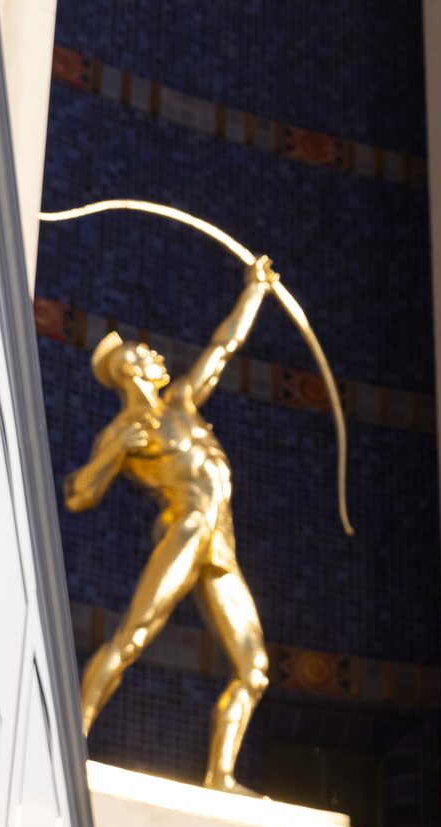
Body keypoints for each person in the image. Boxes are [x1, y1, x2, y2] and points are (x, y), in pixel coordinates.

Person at [66, 257, 281, 793]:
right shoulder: (124, 431)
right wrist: (110, 456)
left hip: (220, 542)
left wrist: (255, 291)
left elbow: (223, 348)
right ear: (129, 368)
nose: (157, 354)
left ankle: (221, 774)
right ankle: (70, 736)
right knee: (135, 635)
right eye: (146, 352)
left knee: (254, 667)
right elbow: (78, 496)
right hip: (185, 527)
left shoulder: (183, 404)